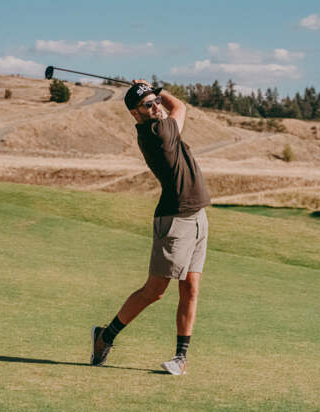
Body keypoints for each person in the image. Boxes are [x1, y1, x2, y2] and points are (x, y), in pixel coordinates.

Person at [91, 80, 211, 375]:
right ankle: (105, 336)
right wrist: (156, 87)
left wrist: (149, 90)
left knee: (191, 289)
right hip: (175, 221)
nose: (156, 106)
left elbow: (171, 108)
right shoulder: (158, 132)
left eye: (156, 101)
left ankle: (180, 358)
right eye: (148, 104)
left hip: (197, 216)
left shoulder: (159, 125)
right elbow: (179, 106)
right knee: (154, 291)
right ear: (136, 113)